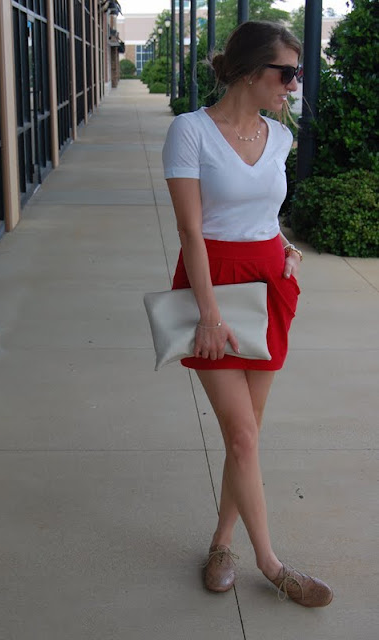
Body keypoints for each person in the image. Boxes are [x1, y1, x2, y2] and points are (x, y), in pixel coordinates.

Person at [162, 21, 333, 608]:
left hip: (269, 285)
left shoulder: (278, 137)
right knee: (240, 434)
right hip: (212, 287)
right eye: (287, 73)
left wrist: (286, 247)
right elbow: (191, 230)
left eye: (297, 74)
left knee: (247, 438)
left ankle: (221, 543)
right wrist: (208, 314)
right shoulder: (190, 132)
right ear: (251, 70)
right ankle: (272, 565)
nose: (294, 85)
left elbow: (263, 213)